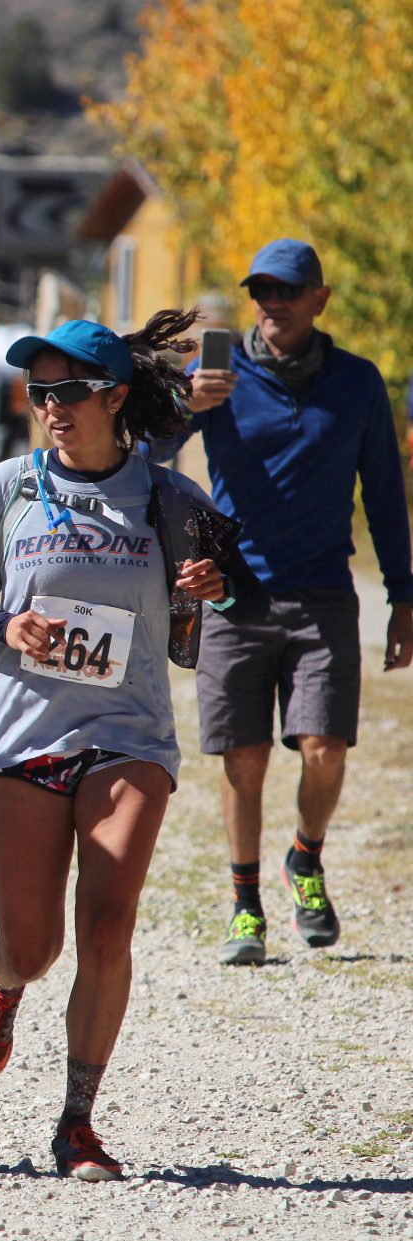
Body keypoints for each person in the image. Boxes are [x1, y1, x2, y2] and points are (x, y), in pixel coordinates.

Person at [0, 315, 252, 1180]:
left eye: (68, 392)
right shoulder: (8, 489)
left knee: (107, 924)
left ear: (115, 396)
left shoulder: (168, 498)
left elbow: (237, 588)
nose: (51, 407)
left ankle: (77, 1124)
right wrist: (3, 623)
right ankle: (2, 981)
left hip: (129, 733)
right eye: (39, 392)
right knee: (37, 944)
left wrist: (217, 583)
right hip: (21, 735)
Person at [159, 239, 413, 966]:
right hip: (235, 594)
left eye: (288, 290)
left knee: (324, 748)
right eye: (262, 291)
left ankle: (305, 858)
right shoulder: (219, 373)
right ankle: (245, 904)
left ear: (319, 299)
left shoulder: (359, 384)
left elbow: (386, 498)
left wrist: (404, 596)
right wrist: (185, 405)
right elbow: (143, 453)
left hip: (325, 594)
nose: (273, 303)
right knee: (243, 759)